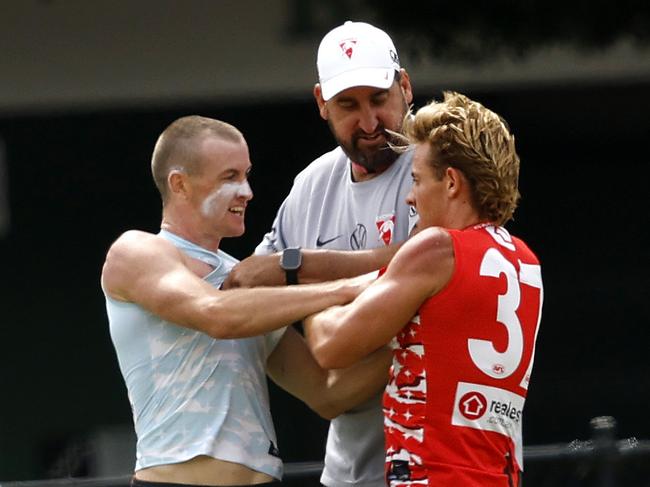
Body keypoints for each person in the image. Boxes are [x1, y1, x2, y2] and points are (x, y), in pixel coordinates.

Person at [101, 115, 391, 487]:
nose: (247, 191)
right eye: (230, 177)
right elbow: (216, 315)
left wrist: (416, 330)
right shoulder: (136, 250)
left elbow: (326, 394)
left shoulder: (244, 282)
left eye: (246, 175)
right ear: (180, 184)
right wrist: (350, 287)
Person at [306, 92, 544, 486]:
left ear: (451, 182)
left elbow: (332, 347)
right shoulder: (525, 261)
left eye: (416, 179)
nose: (410, 195)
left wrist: (310, 288)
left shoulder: (436, 249)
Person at [223, 21, 416, 487]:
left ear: (405, 86)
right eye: (348, 105)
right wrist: (320, 386)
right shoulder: (311, 185)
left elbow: (434, 263)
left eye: (379, 99)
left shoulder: (438, 162)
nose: (369, 123)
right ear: (321, 103)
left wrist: (300, 270)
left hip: (439, 463)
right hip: (347, 471)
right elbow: (248, 288)